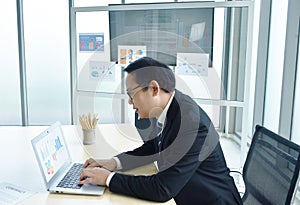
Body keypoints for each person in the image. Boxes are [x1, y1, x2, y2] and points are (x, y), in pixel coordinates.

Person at [78, 57, 242, 205]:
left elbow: (162, 189)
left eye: (131, 93)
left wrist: (108, 179)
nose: (129, 101)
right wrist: (114, 163)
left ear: (154, 89)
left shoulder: (191, 124)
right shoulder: (174, 106)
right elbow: (153, 148)